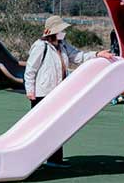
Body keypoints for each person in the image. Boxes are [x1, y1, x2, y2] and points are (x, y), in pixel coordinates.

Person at [23, 16, 114, 168]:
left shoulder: (63, 45)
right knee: (40, 127)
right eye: (61, 30)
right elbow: (30, 70)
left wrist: (97, 54)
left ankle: (55, 159)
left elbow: (78, 56)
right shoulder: (41, 46)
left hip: (58, 93)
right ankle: (33, 157)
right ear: (53, 31)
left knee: (56, 126)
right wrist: (30, 90)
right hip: (42, 93)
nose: (63, 33)